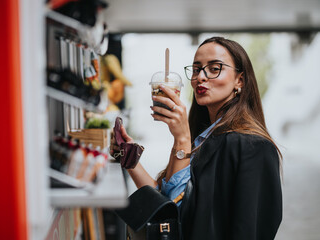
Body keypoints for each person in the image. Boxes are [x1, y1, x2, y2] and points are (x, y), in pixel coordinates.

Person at [110, 36, 282, 239]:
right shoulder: (203, 139)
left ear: (240, 80)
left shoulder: (252, 146)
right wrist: (129, 159)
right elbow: (169, 206)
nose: (201, 77)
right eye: (196, 69)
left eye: (214, 68)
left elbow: (249, 230)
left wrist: (182, 138)